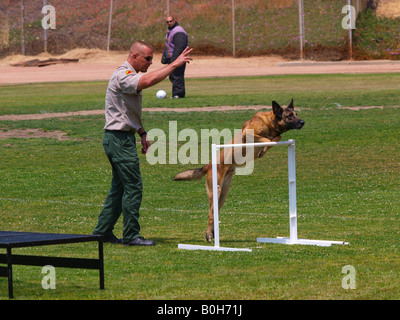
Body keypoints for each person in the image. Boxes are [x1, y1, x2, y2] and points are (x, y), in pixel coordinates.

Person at [93, 41, 193, 246]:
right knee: (133, 186)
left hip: (119, 137)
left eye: (151, 59)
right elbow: (146, 81)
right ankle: (131, 235)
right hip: (118, 139)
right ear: (134, 56)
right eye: (147, 58)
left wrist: (141, 132)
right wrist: (173, 65)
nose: (150, 62)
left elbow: (126, 110)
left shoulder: (129, 74)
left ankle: (101, 232)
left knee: (119, 187)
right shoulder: (123, 75)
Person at [162, 16, 189, 98]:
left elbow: (179, 46)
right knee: (172, 76)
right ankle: (176, 94)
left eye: (170, 21)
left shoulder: (179, 31)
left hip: (178, 58)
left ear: (174, 21)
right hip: (173, 58)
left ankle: (178, 94)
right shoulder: (171, 31)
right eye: (167, 22)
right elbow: (168, 45)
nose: (169, 23)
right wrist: (164, 57)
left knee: (177, 75)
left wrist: (175, 59)